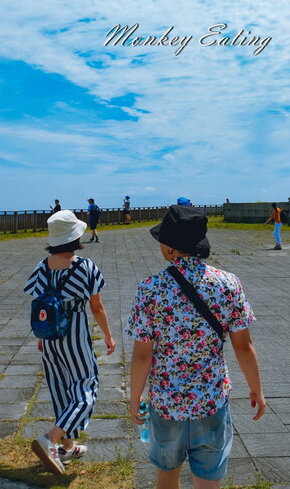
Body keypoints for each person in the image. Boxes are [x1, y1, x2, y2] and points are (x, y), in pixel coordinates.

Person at [127, 205, 265, 489]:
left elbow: (142, 355)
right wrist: (257, 389)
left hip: (166, 403)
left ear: (169, 249)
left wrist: (135, 397)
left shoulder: (150, 288)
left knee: (166, 476)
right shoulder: (228, 284)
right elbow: (244, 346)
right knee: (208, 481)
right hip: (211, 400)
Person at [26, 210, 116, 475]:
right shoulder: (85, 267)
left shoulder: (42, 266)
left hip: (50, 336)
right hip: (74, 332)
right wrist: (108, 336)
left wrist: (40, 335)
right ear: (76, 236)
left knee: (61, 387)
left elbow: (38, 304)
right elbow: (96, 308)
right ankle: (50, 439)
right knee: (87, 384)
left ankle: (67, 446)